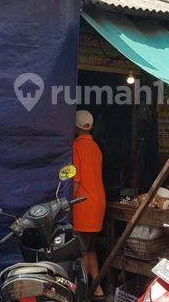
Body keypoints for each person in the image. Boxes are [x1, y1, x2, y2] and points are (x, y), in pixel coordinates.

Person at [72, 110, 106, 299]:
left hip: (82, 204)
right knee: (90, 248)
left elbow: (75, 180)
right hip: (98, 203)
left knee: (82, 250)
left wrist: (67, 201)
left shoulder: (76, 147)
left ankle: (83, 291)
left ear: (75, 127)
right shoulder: (96, 148)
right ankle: (98, 288)